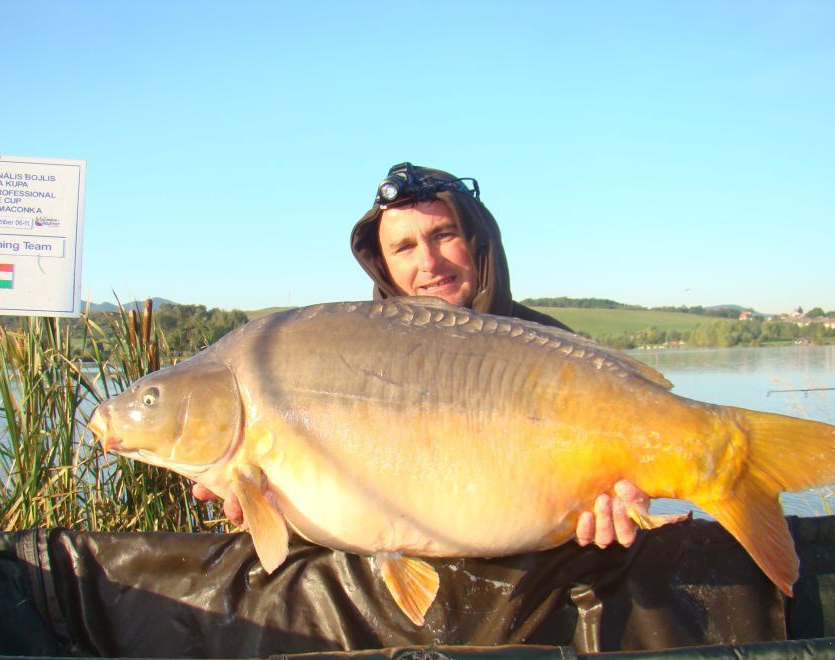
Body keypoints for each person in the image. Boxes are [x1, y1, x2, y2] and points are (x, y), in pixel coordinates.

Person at [194, 162, 651, 549]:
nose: (429, 263)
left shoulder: (555, 347)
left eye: (443, 234)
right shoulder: (343, 356)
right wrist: (274, 510)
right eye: (405, 247)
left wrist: (624, 508)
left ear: (477, 240)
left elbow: (635, 466)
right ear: (384, 263)